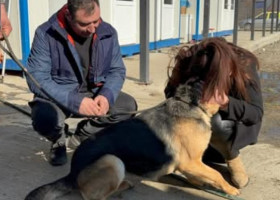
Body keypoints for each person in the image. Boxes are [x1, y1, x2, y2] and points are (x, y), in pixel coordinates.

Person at [26, 0, 137, 166]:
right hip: (60, 95)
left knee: (127, 106)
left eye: (96, 21)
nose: (93, 29)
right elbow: (36, 78)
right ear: (69, 16)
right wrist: (75, 101)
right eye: (85, 24)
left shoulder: (108, 32)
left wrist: (106, 95)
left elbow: (117, 70)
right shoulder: (46, 33)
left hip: (94, 92)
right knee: (44, 117)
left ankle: (80, 137)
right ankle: (59, 140)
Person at [165, 37, 263, 189]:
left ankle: (232, 157)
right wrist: (186, 94)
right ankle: (189, 156)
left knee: (214, 120)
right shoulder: (190, 59)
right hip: (194, 133)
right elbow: (169, 93)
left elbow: (256, 113)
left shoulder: (244, 65)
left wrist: (226, 102)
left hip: (227, 129)